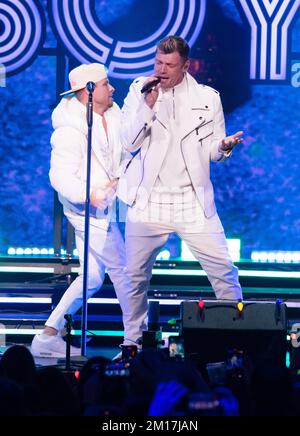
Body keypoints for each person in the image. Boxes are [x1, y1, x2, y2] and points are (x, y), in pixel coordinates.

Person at [119, 35, 244, 346]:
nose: (161, 70)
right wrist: (146, 108)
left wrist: (224, 147)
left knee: (225, 274)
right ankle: (132, 342)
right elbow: (128, 143)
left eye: (169, 65)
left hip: (192, 202)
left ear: (186, 66)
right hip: (149, 203)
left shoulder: (207, 98)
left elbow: (213, 149)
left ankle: (238, 340)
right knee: (134, 277)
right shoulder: (139, 90)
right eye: (158, 62)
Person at [31, 63, 134, 358]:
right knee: (123, 272)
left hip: (108, 206)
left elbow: (124, 153)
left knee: (91, 278)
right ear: (88, 93)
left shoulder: (112, 116)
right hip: (88, 210)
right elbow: (60, 178)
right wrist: (90, 195)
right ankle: (133, 342)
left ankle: (48, 335)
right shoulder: (69, 131)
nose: (112, 88)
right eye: (105, 84)